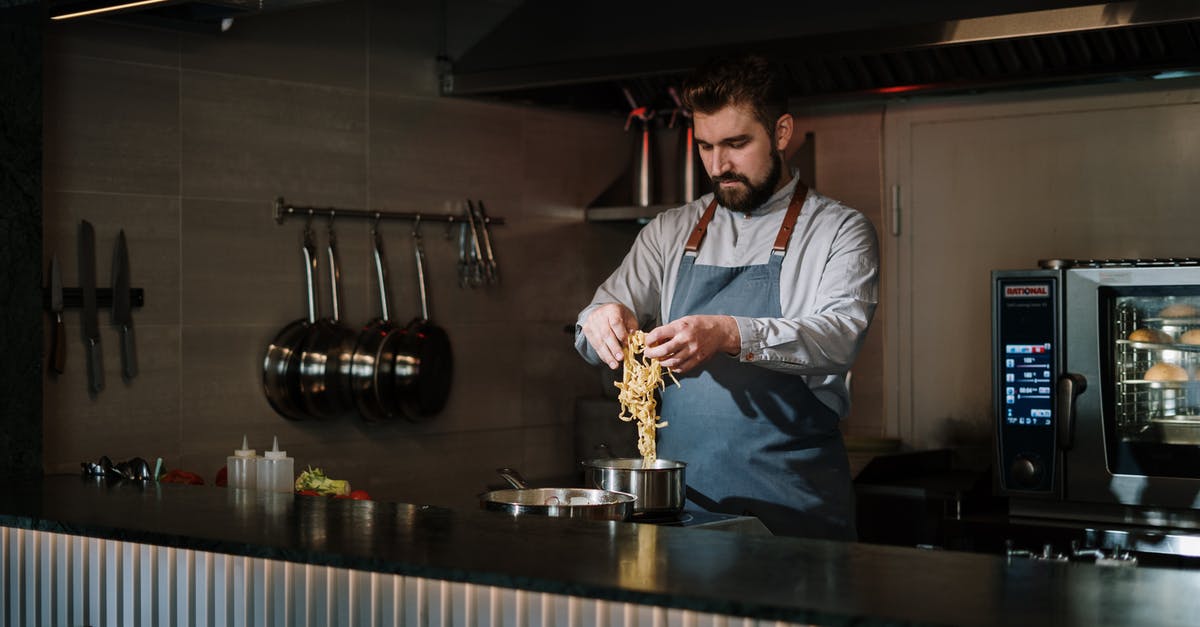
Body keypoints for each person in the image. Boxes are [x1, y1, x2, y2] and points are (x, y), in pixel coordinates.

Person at [573, 53, 879, 540]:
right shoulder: (670, 232)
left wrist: (729, 333)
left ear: (781, 133)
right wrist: (599, 319)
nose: (719, 165)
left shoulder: (839, 230)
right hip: (684, 511)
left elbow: (839, 337)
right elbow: (593, 327)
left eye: (737, 144)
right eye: (706, 146)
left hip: (795, 513)